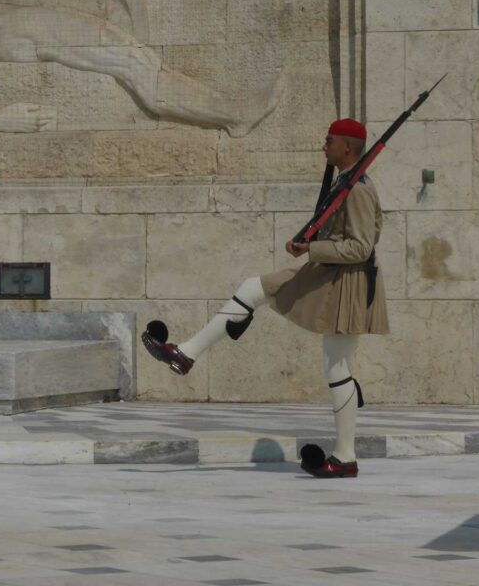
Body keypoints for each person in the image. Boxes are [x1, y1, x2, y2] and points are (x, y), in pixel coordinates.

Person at [143, 118, 389, 478]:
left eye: (329, 140)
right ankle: (186, 354)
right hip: (328, 274)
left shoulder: (360, 189)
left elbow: (362, 246)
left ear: (348, 148)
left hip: (346, 285)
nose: (324, 146)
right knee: (253, 288)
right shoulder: (345, 183)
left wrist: (313, 248)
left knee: (337, 368)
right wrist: (306, 243)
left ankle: (346, 457)